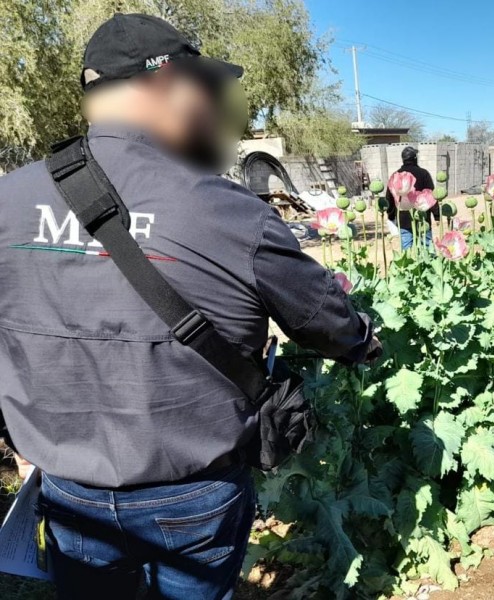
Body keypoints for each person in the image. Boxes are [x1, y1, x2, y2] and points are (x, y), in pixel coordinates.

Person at [0, 13, 379, 600]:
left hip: (68, 488)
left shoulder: (8, 200)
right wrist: (363, 339)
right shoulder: (229, 212)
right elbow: (328, 324)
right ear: (165, 84)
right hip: (192, 494)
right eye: (205, 90)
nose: (212, 108)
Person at [386, 146, 440, 250]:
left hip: (403, 218)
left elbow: (390, 198)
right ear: (415, 158)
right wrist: (437, 216)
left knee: (407, 250)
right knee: (427, 247)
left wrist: (391, 215)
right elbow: (431, 196)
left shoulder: (395, 175)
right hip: (423, 218)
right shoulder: (424, 174)